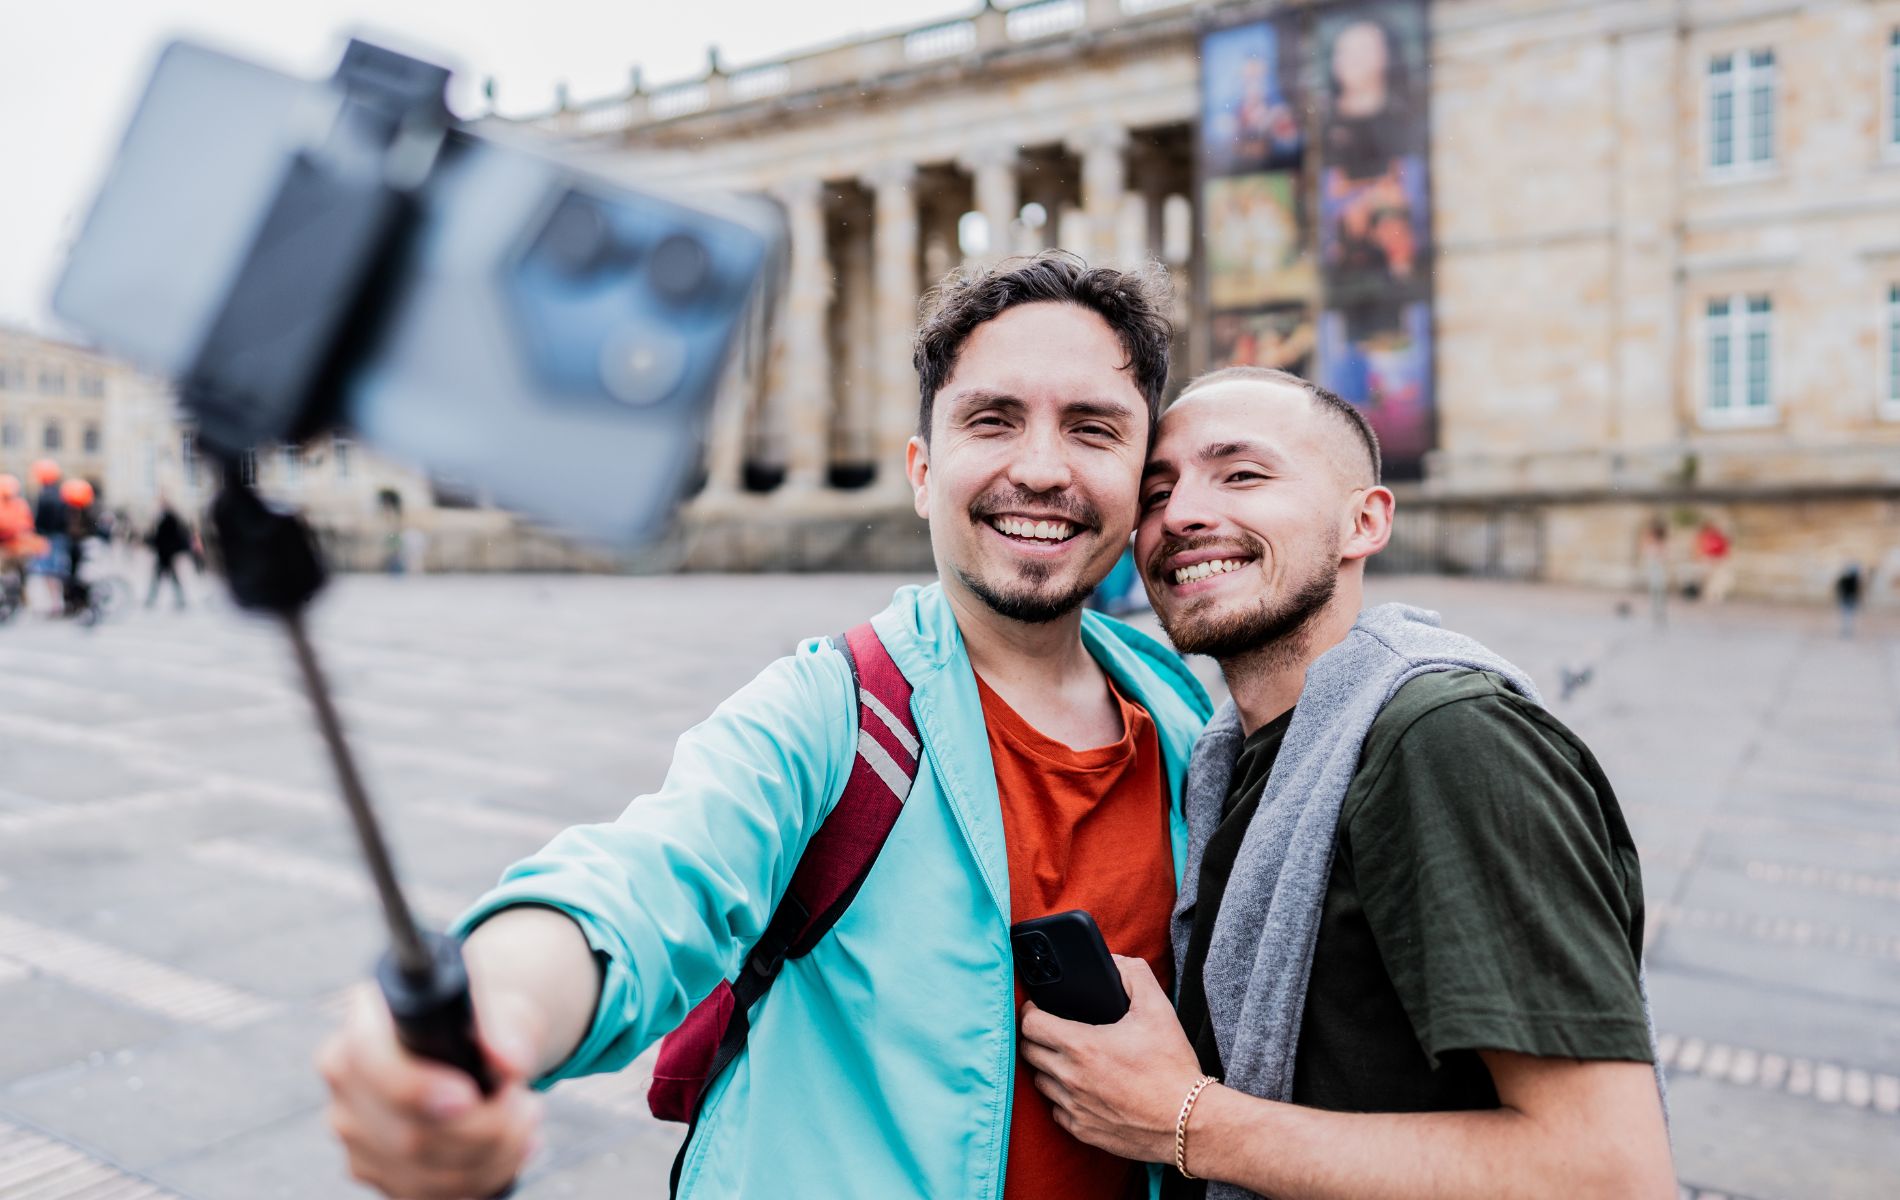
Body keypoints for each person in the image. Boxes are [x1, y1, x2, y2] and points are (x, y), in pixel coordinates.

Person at [315, 253, 1213, 1200]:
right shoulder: (834, 714)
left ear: (1141, 475)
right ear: (921, 469)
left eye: (1093, 429)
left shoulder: (1188, 713)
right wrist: (491, 1017)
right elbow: (649, 881)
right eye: (991, 420)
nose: (1040, 468)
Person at [1018, 366, 1675, 1200]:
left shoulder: (1445, 738)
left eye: (1243, 474)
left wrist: (1183, 1119)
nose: (1179, 514)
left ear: (1363, 522)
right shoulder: (1228, 760)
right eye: (1157, 491)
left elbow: (1609, 1176)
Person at [146, 499, 191, 610]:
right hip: (166, 554)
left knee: (161, 578)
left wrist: (154, 542)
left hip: (165, 554)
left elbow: (163, 538)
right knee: (168, 578)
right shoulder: (169, 519)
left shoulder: (168, 520)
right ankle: (180, 600)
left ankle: (153, 599)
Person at [1834, 560, 1864, 639]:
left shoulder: (1852, 580)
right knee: (1847, 615)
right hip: (1847, 599)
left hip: (1848, 599)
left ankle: (1847, 630)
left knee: (1848, 616)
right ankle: (1846, 630)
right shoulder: (1850, 579)